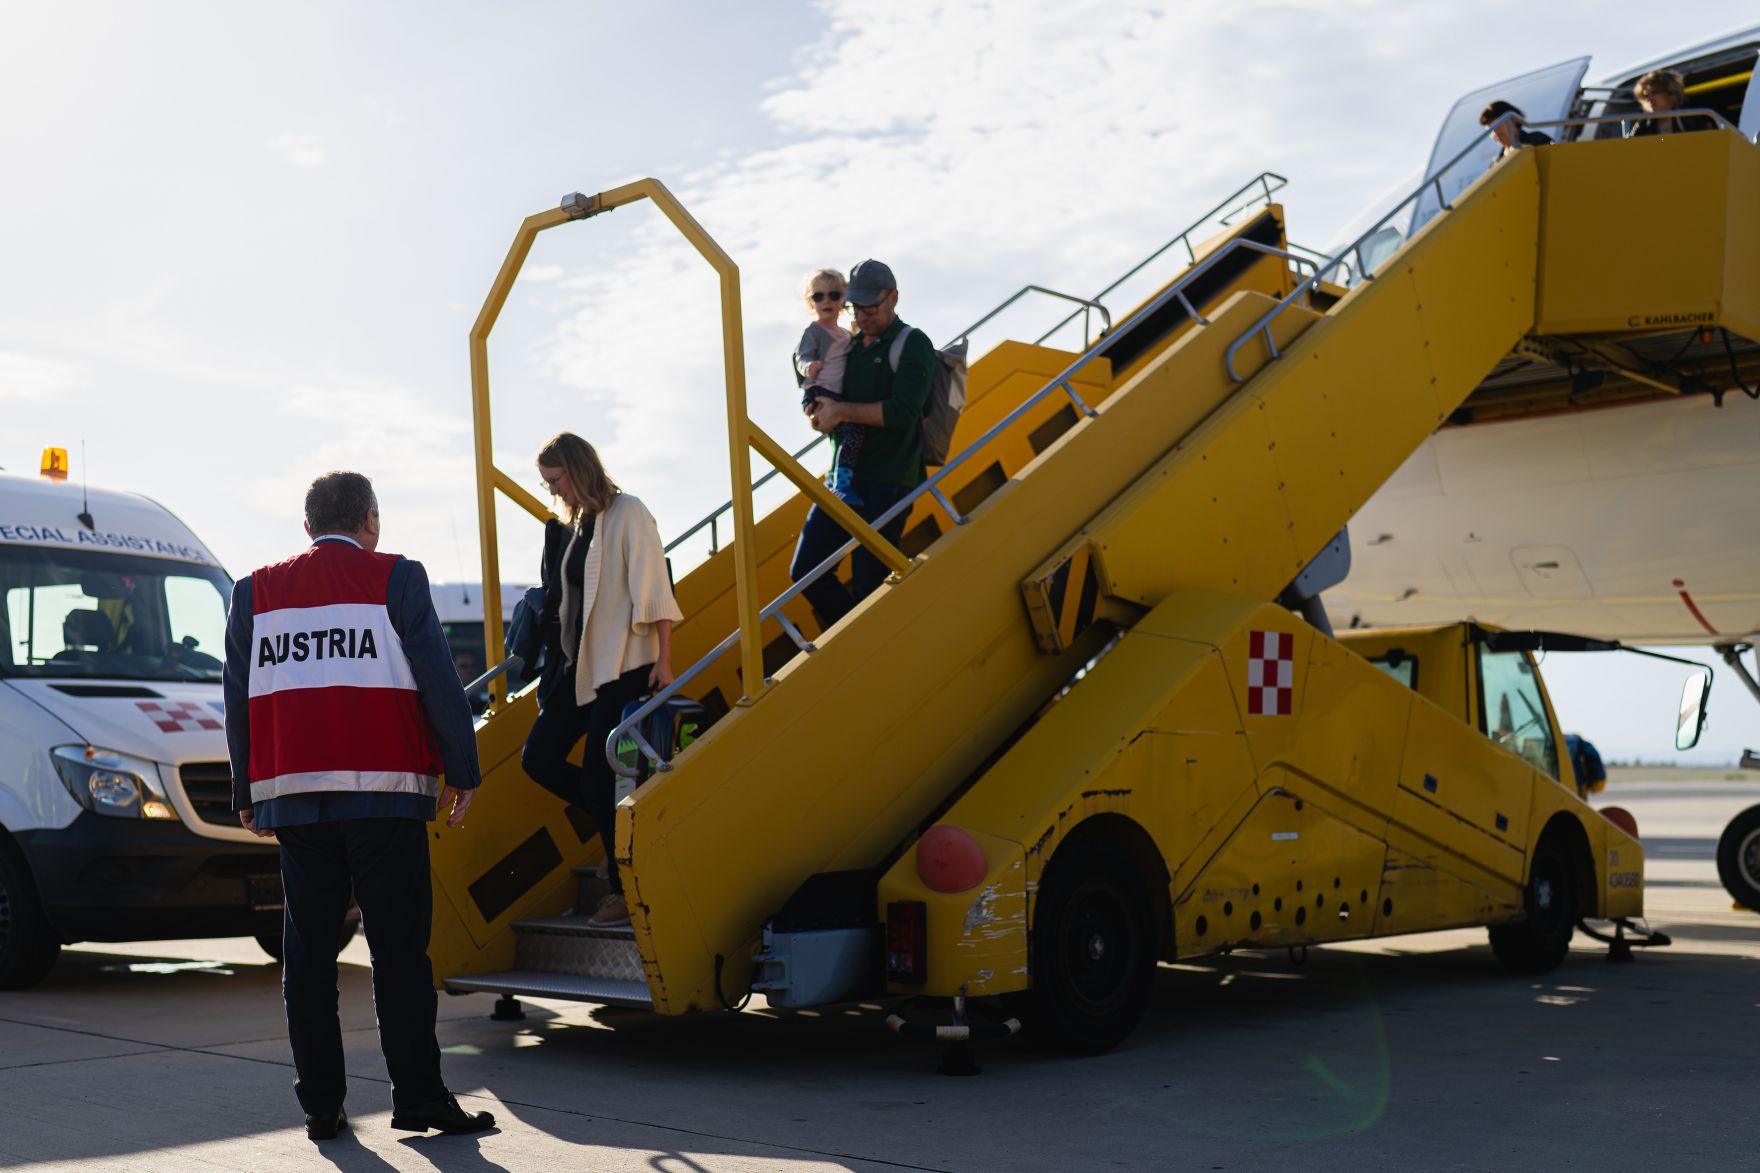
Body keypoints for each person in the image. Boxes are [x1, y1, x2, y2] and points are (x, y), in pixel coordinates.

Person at [223, 471, 494, 1141]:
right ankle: (419, 1098)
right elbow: (439, 680)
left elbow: (236, 695)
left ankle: (321, 1105)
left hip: (296, 801)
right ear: (370, 521)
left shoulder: (254, 591)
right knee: (399, 953)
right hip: (386, 800)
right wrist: (462, 769)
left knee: (309, 955)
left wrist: (245, 792)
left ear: (308, 525)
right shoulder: (397, 578)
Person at [521, 433, 682, 928]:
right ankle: (616, 832)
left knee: (602, 771)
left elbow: (654, 587)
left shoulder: (628, 512)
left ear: (578, 468)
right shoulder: (575, 524)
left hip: (625, 664)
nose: (554, 492)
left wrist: (665, 661)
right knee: (539, 759)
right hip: (579, 668)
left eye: (556, 480)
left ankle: (621, 890)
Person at [787, 258, 936, 629]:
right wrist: (820, 408)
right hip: (842, 480)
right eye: (857, 305)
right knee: (806, 572)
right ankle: (852, 637)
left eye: (871, 304)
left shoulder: (912, 342)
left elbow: (903, 411)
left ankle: (867, 643)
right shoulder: (847, 344)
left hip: (889, 479)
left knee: (871, 581)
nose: (863, 314)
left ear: (893, 298)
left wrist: (842, 412)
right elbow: (810, 370)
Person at [795, 268, 862, 505]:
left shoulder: (844, 333)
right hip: (821, 389)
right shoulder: (813, 332)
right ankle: (840, 484)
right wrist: (808, 366)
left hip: (838, 393)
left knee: (844, 436)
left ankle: (836, 479)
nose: (826, 301)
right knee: (852, 433)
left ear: (843, 300)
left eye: (834, 295)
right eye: (818, 296)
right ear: (810, 301)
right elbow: (801, 357)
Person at [1626, 69, 1716, 136]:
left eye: (1654, 93)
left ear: (1670, 93)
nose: (1649, 99)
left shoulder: (1691, 119)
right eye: (1646, 96)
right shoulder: (1643, 125)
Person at [1479, 100, 1553, 153]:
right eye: (1489, 130)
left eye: (1497, 125)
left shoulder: (1538, 140)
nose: (1494, 133)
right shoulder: (1497, 163)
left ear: (1513, 120)